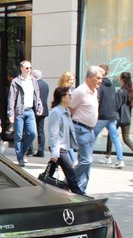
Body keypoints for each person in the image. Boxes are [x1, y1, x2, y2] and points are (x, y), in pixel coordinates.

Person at [70, 65, 104, 193]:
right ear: (89, 77)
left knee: (87, 162)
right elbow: (70, 108)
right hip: (81, 128)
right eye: (98, 78)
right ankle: (69, 180)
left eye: (101, 78)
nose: (100, 81)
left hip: (90, 130)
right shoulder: (80, 91)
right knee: (86, 160)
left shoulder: (94, 91)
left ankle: (81, 190)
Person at [101, 72, 133, 167]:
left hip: (118, 117)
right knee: (126, 138)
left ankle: (108, 157)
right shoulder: (130, 91)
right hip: (127, 117)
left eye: (119, 78)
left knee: (111, 135)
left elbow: (116, 105)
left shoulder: (120, 92)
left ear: (122, 79)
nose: (118, 79)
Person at [47, 87, 83, 195]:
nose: (71, 97)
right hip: (59, 147)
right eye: (69, 95)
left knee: (50, 172)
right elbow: (54, 133)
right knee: (70, 172)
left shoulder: (65, 111)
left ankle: (40, 185)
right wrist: (55, 152)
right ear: (63, 98)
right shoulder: (56, 112)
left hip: (63, 147)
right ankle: (80, 195)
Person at [7, 60, 43, 167]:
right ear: (21, 68)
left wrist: (39, 106)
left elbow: (37, 95)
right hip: (19, 111)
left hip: (30, 110)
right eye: (27, 68)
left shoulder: (33, 80)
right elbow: (11, 98)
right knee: (18, 135)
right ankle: (20, 158)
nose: (29, 70)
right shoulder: (16, 81)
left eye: (30, 68)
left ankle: (22, 152)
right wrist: (11, 113)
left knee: (32, 134)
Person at [94, 64, 125, 168]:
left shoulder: (99, 85)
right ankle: (120, 160)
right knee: (115, 138)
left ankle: (85, 158)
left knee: (92, 137)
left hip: (102, 115)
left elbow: (97, 100)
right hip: (112, 115)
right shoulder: (111, 84)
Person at [30, 69, 49, 157]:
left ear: (34, 76)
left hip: (35, 110)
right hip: (44, 110)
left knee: (30, 130)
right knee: (41, 131)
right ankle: (41, 150)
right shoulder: (45, 84)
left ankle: (30, 149)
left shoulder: (34, 84)